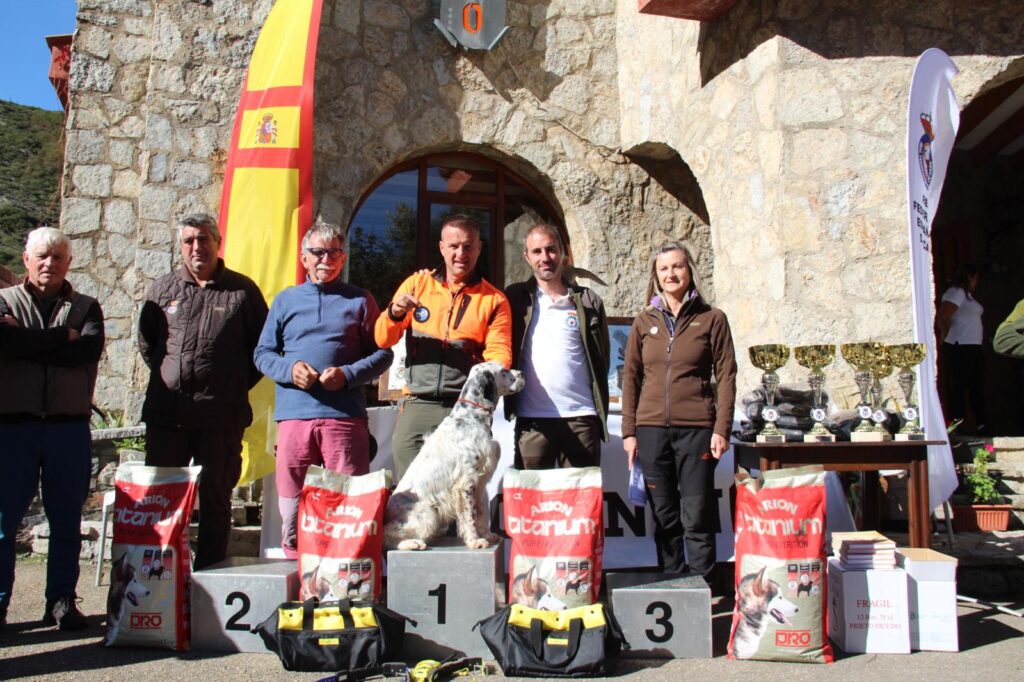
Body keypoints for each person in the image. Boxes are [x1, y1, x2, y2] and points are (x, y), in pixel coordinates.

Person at [138, 213, 268, 570]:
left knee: (216, 500)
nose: (197, 247)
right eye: (189, 241)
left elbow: (263, 350)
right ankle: (162, 579)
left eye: (204, 239)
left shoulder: (243, 291)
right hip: (168, 418)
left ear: (217, 242)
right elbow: (149, 345)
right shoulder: (162, 290)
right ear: (181, 246)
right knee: (163, 501)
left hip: (220, 418)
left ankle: (210, 574)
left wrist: (229, 385)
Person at [254, 223, 393, 557]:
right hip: (294, 420)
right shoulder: (285, 301)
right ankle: (298, 578)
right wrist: (289, 370)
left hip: (343, 420)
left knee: (346, 506)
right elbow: (262, 354)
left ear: (343, 258)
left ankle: (347, 582)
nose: (325, 259)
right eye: (318, 252)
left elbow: (383, 352)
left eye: (333, 252)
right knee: (293, 509)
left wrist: (346, 375)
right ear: (304, 257)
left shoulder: (361, 299)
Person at [0, 227, 104, 630]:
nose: (50, 263)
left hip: (67, 428)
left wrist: (27, 342)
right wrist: (60, 337)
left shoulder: (87, 307)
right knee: (4, 522)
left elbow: (88, 351)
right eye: (42, 256)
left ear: (69, 263)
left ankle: (61, 602)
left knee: (66, 521)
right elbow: (6, 345)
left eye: (58, 257)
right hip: (13, 427)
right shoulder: (3, 301)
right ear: (26, 259)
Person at [620, 240, 736, 581]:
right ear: (655, 277)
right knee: (665, 514)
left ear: (690, 271)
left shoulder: (712, 319)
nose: (671, 274)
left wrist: (721, 428)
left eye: (677, 267)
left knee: (697, 513)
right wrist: (629, 432)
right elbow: (631, 377)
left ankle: (701, 587)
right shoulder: (644, 321)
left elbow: (726, 375)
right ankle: (672, 583)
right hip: (651, 431)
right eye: (664, 268)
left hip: (698, 430)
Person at [374, 214, 512, 479]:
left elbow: (499, 354)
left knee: (459, 494)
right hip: (417, 404)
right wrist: (394, 312)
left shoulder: (494, 299)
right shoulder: (417, 285)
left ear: (479, 248)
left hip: (463, 407)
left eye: (468, 246)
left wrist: (483, 384)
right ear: (441, 248)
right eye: (454, 246)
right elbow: (382, 339)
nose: (461, 253)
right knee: (411, 495)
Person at [504, 223, 610, 469]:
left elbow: (601, 357)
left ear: (563, 252)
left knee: (582, 505)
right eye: (537, 251)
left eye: (551, 250)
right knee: (532, 503)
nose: (545, 258)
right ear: (527, 257)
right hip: (532, 421)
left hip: (581, 418)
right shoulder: (515, 298)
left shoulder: (589, 301)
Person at [938, 263, 987, 433]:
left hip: (972, 346)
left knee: (976, 386)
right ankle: (957, 425)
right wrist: (945, 336)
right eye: (975, 279)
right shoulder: (956, 292)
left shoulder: (968, 297)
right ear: (969, 277)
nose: (976, 282)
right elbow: (944, 316)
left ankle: (980, 424)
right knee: (959, 387)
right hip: (960, 345)